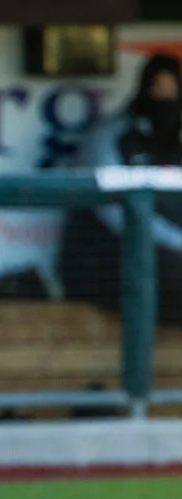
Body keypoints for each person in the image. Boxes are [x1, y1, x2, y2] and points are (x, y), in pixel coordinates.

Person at [59, 53, 182, 325]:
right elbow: (115, 214)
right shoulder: (110, 137)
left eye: (172, 89)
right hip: (110, 260)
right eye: (157, 88)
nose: (165, 97)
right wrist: (177, 243)